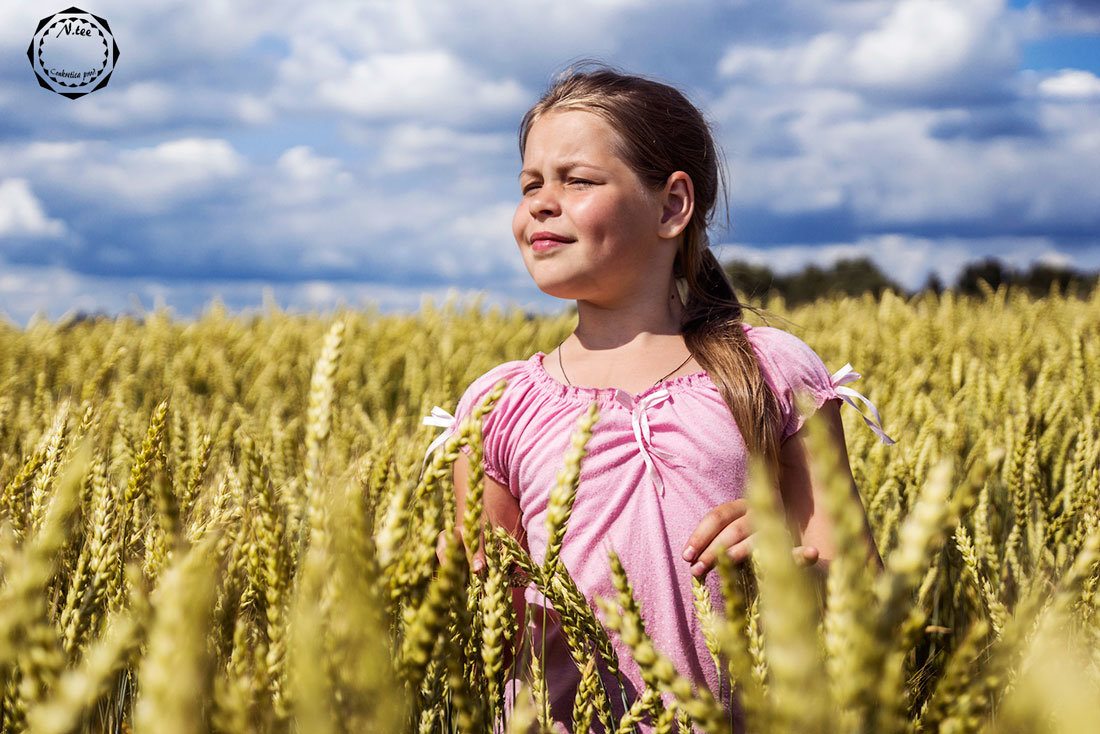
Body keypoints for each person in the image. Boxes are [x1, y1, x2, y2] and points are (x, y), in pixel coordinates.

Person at [428, 61, 893, 733]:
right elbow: (490, 627)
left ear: (673, 206)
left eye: (577, 181)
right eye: (529, 184)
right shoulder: (498, 406)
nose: (540, 203)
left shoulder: (770, 371)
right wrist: (449, 585)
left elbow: (864, 588)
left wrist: (789, 551)